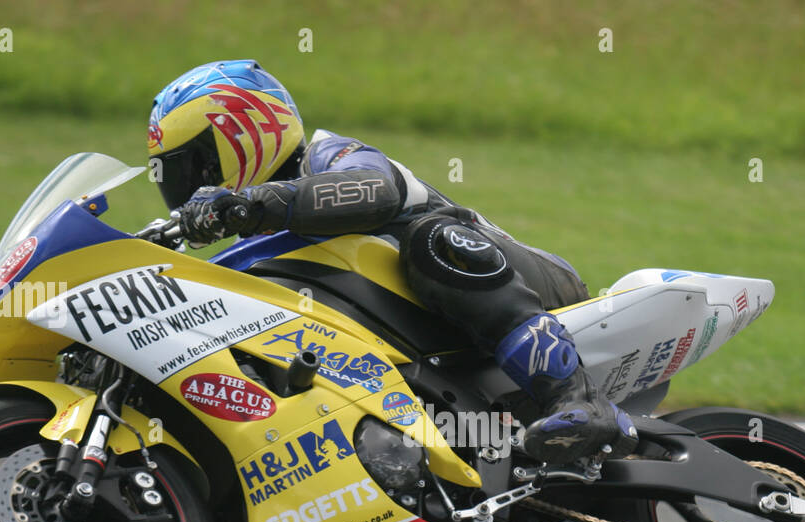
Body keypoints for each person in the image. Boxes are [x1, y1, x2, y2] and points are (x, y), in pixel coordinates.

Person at [147, 60, 637, 464]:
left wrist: (252, 202)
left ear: (248, 132)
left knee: (434, 240)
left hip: (528, 282)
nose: (190, 190)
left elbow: (376, 193)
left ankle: (580, 399)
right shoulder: (257, 245)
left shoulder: (331, 156)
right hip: (427, 348)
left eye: (198, 166)